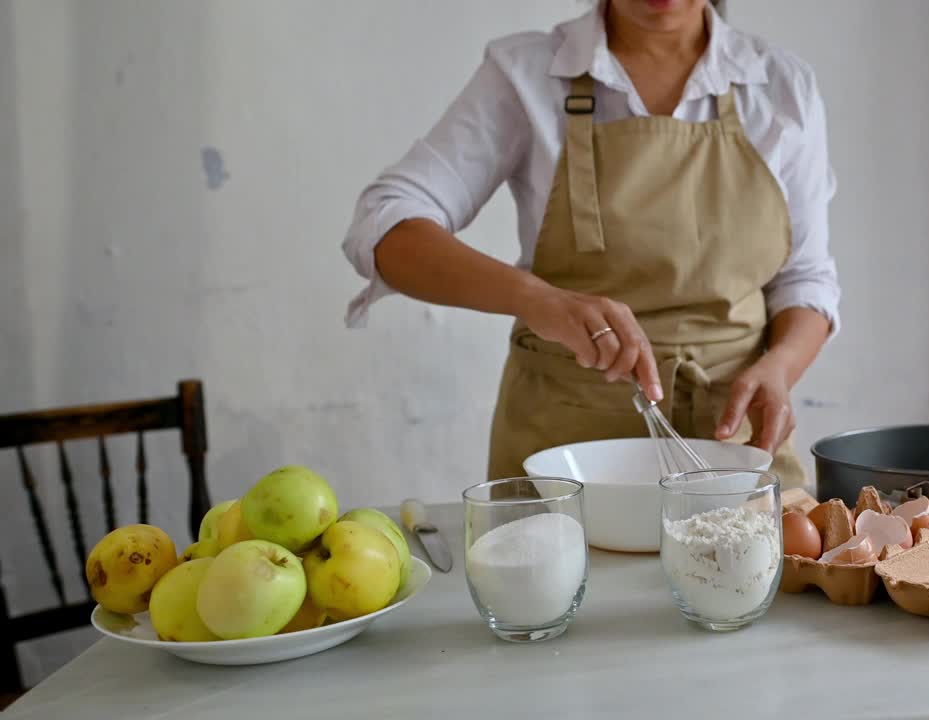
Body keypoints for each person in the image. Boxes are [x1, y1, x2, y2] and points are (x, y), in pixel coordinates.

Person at [342, 0, 839, 489]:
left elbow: (804, 279)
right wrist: (536, 298)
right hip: (561, 456)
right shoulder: (526, 74)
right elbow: (385, 225)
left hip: (734, 452)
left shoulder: (780, 86)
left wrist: (781, 366)